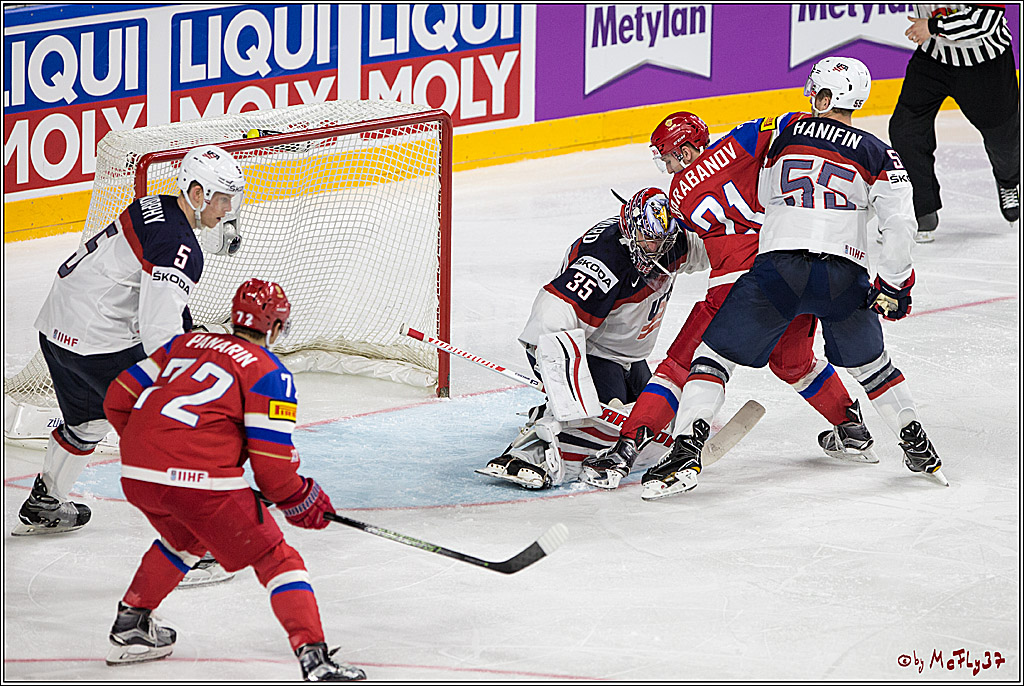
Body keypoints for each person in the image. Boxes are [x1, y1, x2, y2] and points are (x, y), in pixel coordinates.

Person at [639, 56, 948, 500]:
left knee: (711, 360)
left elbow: (755, 188)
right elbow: (900, 224)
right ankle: (916, 442)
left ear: (823, 96)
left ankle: (687, 450)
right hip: (846, 272)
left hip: (778, 269)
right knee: (874, 368)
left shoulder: (784, 130)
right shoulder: (881, 153)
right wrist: (896, 285)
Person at [580, 109, 875, 490]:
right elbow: (789, 123)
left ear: (685, 152)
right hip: (791, 270)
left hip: (737, 284)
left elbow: (683, 242)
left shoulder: (680, 194)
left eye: (669, 158)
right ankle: (851, 428)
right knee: (792, 361)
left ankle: (626, 451)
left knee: (679, 366)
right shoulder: (742, 144)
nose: (669, 168)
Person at [101, 278, 365, 681]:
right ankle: (315, 659)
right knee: (278, 558)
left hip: (136, 475)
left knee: (187, 538)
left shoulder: (183, 344)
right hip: (199, 485)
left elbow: (117, 399)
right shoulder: (269, 374)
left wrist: (152, 450)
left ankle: (132, 624)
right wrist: (302, 498)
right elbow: (273, 474)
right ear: (275, 327)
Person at [14, 144, 245, 583]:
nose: (227, 209)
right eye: (221, 198)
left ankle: (47, 500)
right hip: (100, 343)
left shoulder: (154, 206)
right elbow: (158, 330)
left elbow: (156, 301)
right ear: (196, 194)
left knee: (88, 420)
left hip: (58, 328)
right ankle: (192, 547)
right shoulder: (180, 247)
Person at [477, 187, 710, 489]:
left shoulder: (669, 239)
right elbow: (550, 319)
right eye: (650, 241)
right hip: (592, 352)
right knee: (603, 426)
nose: (657, 250)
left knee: (655, 418)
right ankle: (532, 448)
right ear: (630, 230)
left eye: (663, 242)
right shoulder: (604, 262)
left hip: (628, 356)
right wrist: (563, 381)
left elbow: (711, 249)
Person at [888, 4, 1019, 242]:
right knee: (905, 129)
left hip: (985, 63)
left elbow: (985, 22)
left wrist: (932, 26)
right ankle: (922, 210)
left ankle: (1009, 181)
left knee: (1004, 140)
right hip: (933, 57)